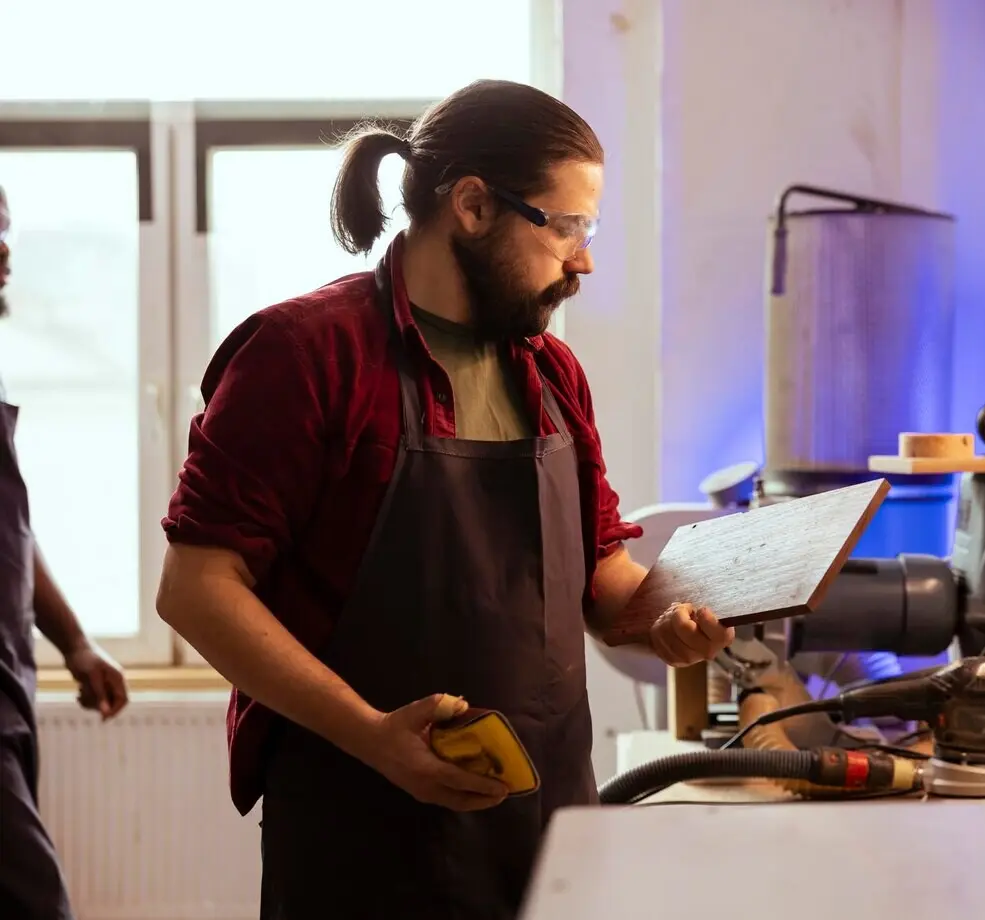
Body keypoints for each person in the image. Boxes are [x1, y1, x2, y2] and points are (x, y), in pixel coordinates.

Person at [155, 80, 735, 919]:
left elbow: (602, 578)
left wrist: (668, 620)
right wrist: (375, 738)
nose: (584, 259)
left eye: (590, 228)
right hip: (363, 834)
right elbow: (197, 589)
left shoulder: (551, 374)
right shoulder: (305, 354)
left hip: (546, 827)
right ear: (471, 204)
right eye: (566, 225)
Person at [0, 183, 131, 920]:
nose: (4, 250)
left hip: (11, 695)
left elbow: (11, 525)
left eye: (6, 230)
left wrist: (75, 642)